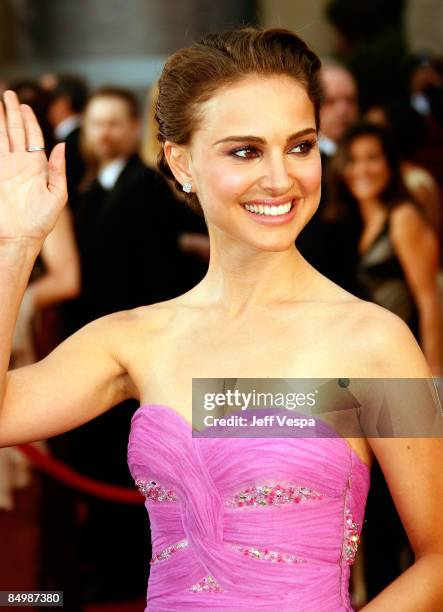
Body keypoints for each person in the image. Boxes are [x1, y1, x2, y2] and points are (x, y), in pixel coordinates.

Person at [0, 26, 442, 612]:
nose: (282, 178)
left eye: (300, 146)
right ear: (179, 160)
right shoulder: (135, 338)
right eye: (245, 150)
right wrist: (15, 243)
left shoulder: (375, 340)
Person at [328, 122, 443, 374]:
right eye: (353, 160)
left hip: (410, 361)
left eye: (372, 158)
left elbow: (430, 300)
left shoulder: (403, 217)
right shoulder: (353, 221)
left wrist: (435, 378)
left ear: (390, 164)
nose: (362, 169)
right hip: (377, 364)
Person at [296, 60, 363, 295]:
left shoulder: (370, 160)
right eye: (331, 101)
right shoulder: (302, 164)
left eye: (350, 101)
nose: (343, 110)